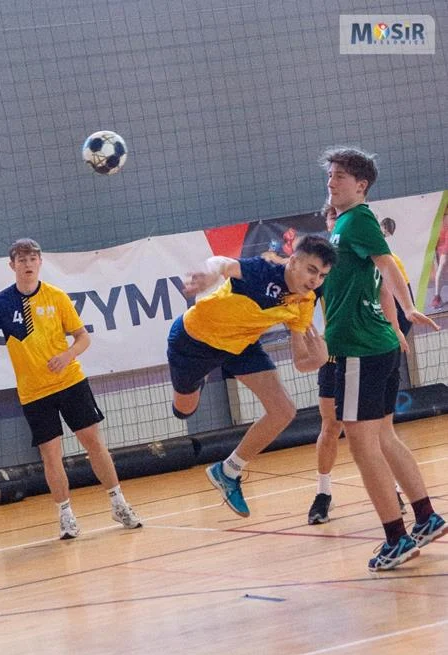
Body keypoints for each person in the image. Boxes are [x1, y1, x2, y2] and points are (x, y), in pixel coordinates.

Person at [0, 238, 142, 540]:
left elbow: (83, 338)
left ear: (40, 262)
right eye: (22, 260)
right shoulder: (1, 303)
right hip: (34, 392)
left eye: (33, 259)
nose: (28, 264)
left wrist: (67, 355)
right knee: (51, 454)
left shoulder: (56, 297)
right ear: (12, 265)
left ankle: (118, 503)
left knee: (93, 442)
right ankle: (66, 516)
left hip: (70, 381)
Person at [318, 146, 446, 571]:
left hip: (361, 348)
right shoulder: (344, 225)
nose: (331, 182)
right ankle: (425, 517)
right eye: (330, 175)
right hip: (375, 344)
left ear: (361, 185)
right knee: (385, 437)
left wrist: (407, 307)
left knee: (362, 445)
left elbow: (387, 264)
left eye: (339, 176)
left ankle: (397, 538)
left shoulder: (359, 219)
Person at [167, 234, 337, 517]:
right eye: (311, 270)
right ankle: (198, 380)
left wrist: (318, 360)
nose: (315, 280)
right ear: (294, 261)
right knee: (184, 410)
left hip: (241, 345)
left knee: (284, 411)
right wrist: (210, 274)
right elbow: (222, 262)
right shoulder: (264, 270)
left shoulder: (305, 300)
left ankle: (228, 471)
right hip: (195, 341)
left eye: (322, 275)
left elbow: (300, 361)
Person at [307, 208, 413, 524]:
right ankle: (323, 493)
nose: (335, 224)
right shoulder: (323, 267)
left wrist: (396, 329)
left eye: (337, 218)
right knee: (331, 425)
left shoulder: (380, 261)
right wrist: (307, 342)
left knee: (377, 429)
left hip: (369, 350)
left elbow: (388, 295)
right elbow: (301, 306)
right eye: (331, 219)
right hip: (335, 353)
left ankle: (393, 491)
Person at [432, 206, 448, 309]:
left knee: (441, 267)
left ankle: (437, 297)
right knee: (441, 267)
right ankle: (436, 297)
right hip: (443, 233)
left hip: (441, 231)